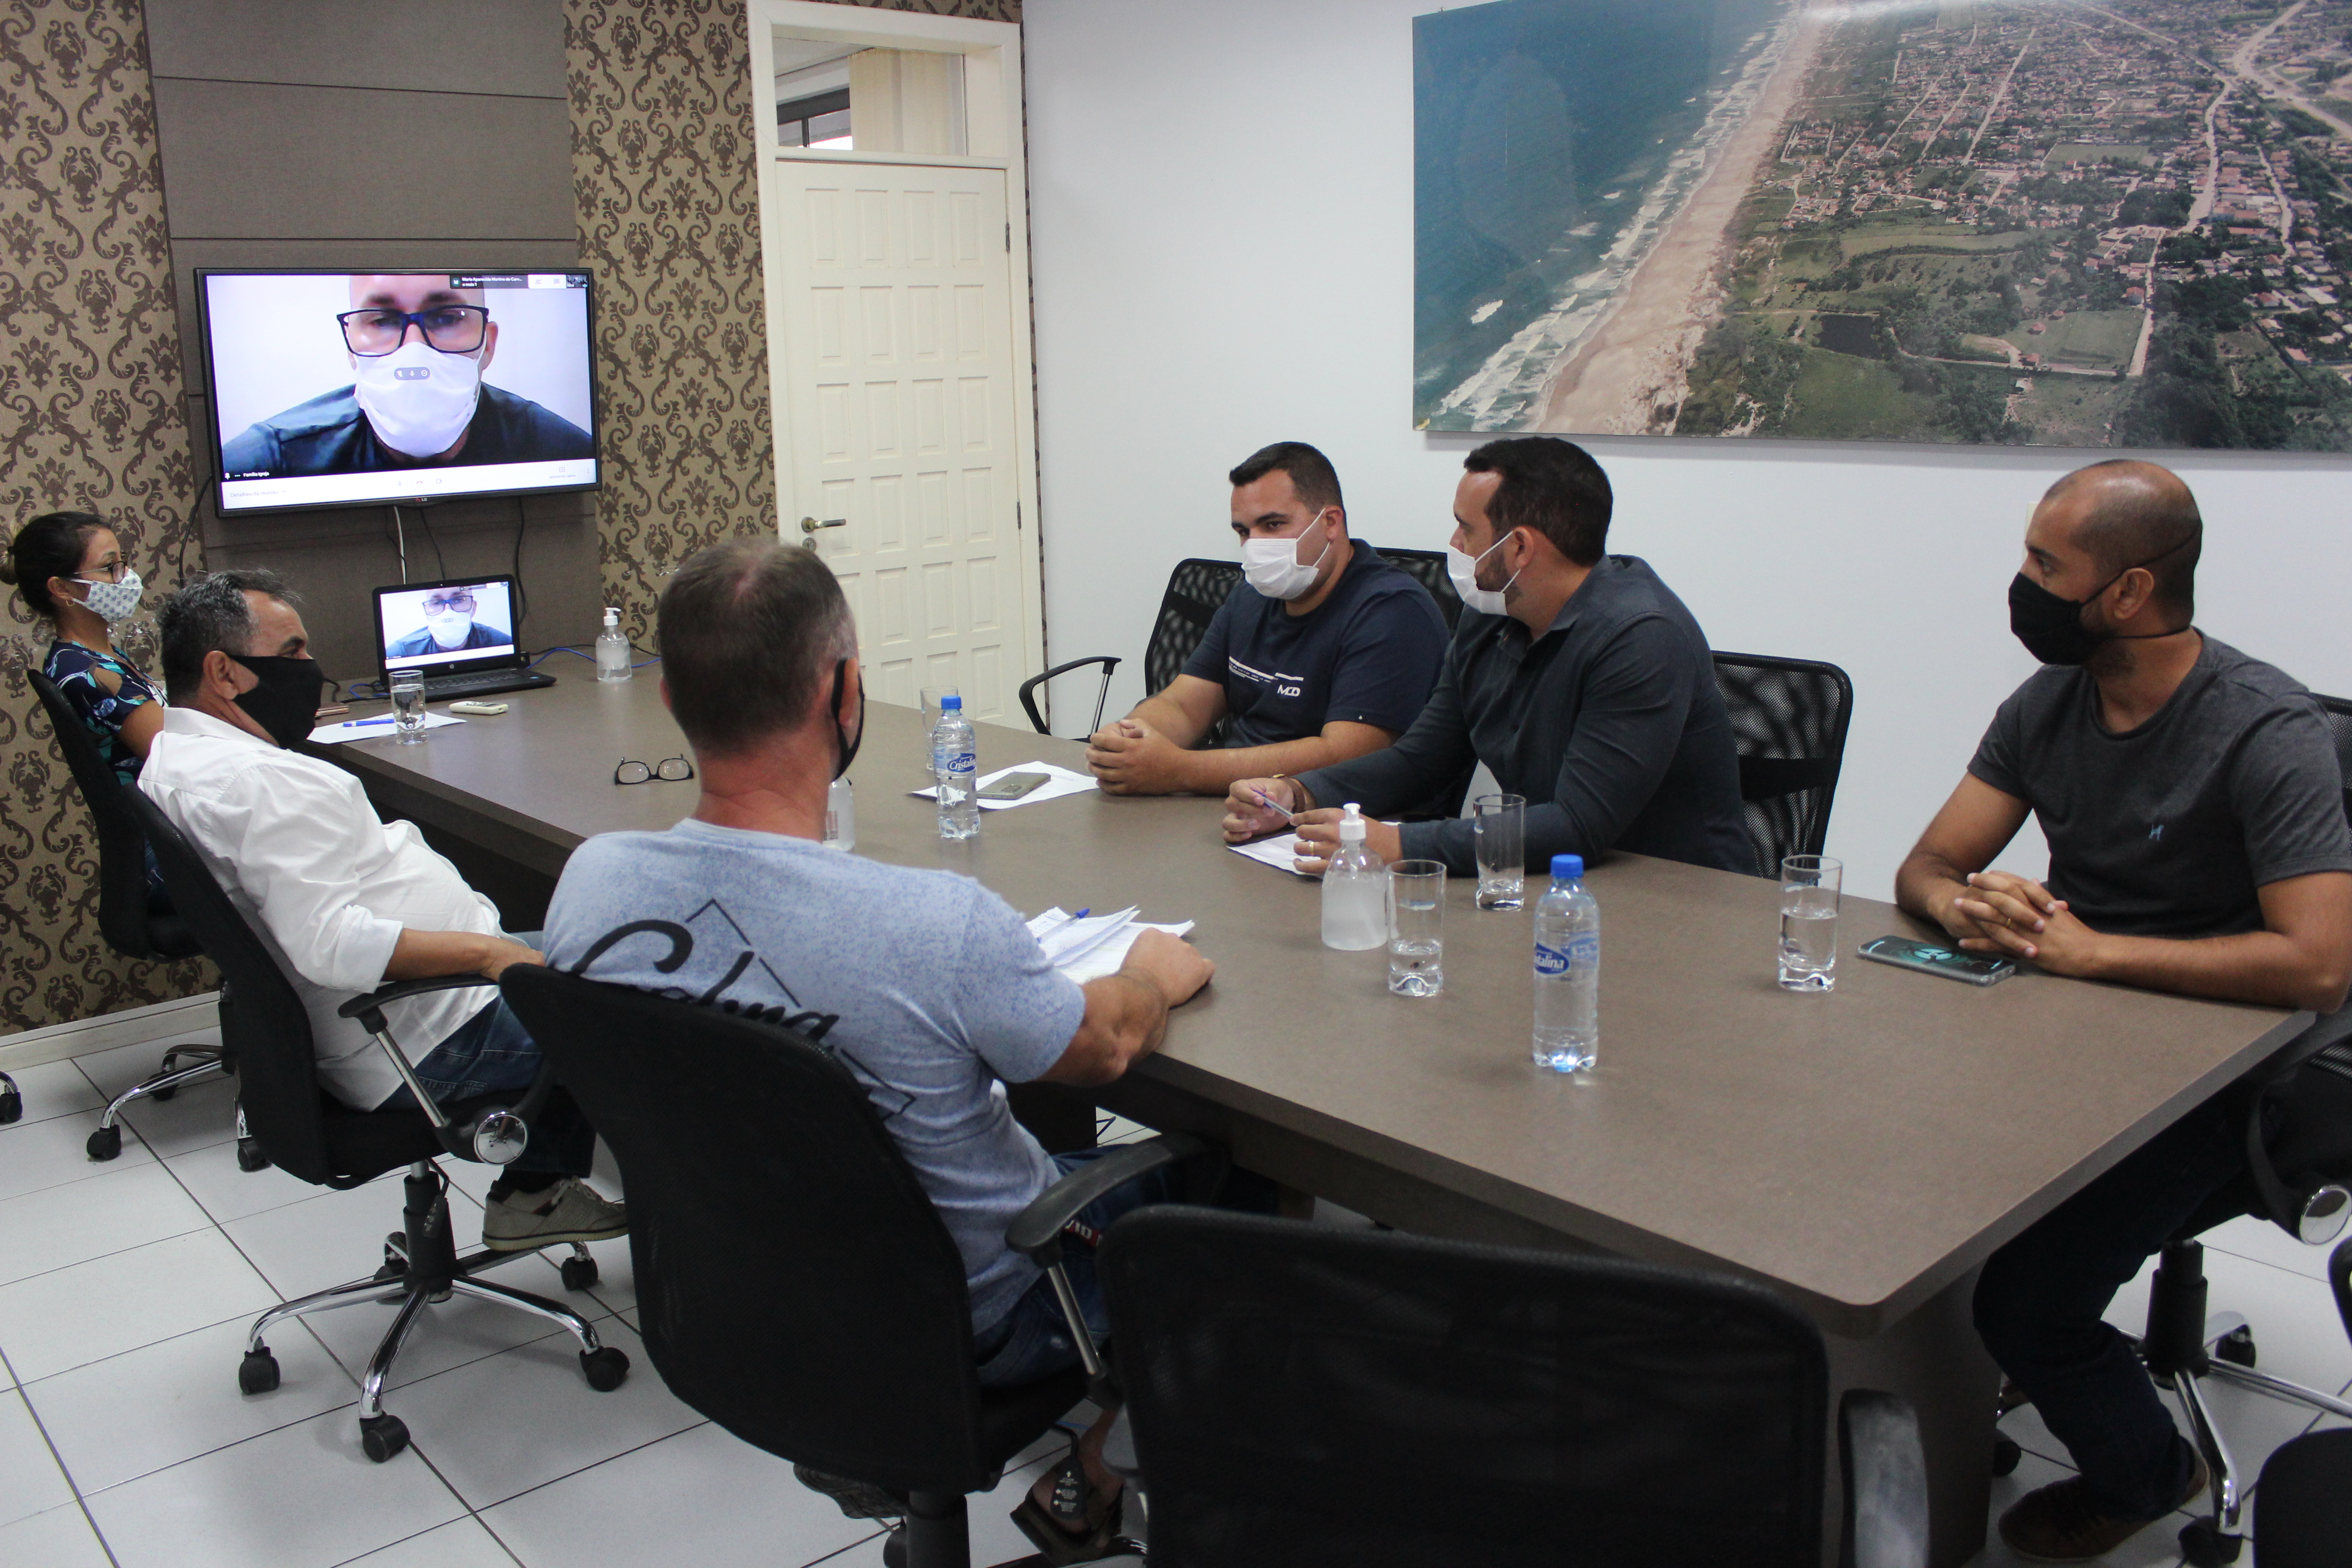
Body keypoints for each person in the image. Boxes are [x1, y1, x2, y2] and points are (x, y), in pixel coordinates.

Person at [539, 538, 1243, 1559]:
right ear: (845, 693)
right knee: (1240, 1178)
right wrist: (1150, 972)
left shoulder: (592, 884)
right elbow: (1101, 1052)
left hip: (737, 1297)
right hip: (972, 1323)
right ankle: (1099, 1469)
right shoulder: (936, 924)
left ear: (676, 700)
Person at [1893, 460, 2352, 1563]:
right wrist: (1966, 901)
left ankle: (2148, 1469)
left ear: (2130, 592)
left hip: (2239, 1079)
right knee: (1899, 1171)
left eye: (2046, 564)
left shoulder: (2263, 728)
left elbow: (2319, 964)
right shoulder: (2049, 703)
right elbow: (1928, 859)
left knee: (2027, 1299)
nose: (2021, 583)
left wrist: (2095, 950)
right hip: (2070, 1029)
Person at [138, 569, 625, 1254]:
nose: (312, 669)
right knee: (653, 1006)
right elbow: (332, 946)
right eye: (293, 653)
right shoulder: (258, 783)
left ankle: (534, 1193)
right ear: (224, 673)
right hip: (421, 1037)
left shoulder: (178, 752)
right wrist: (490, 955)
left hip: (384, 1020)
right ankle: (701, 1232)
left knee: (607, 941)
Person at [1223, 435, 1750, 878]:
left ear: (1519, 548)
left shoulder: (1642, 638)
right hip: (1552, 883)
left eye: (1466, 529)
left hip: (1680, 899)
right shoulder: (1490, 612)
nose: (1453, 542)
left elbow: (1578, 825)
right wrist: (1298, 794)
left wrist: (1398, 846)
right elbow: (1423, 760)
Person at [1085, 441, 1449, 799]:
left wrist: (1178, 770)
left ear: (1331, 523)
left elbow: (1344, 756)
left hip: (1332, 820)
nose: (1254, 546)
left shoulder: (1392, 611)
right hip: (1230, 804)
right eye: (1244, 532)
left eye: (1272, 525)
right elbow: (1183, 705)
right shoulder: (1250, 597)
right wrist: (1131, 738)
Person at [219, 274, 593, 478]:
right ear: (350, 345)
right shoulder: (264, 460)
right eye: (382, 321)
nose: (414, 349)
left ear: (488, 344)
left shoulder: (562, 449)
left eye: (447, 318)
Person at [4, 511, 163, 791]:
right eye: (109, 567)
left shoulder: (90, 654)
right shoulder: (87, 673)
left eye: (122, 563)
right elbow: (183, 759)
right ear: (62, 588)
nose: (125, 577)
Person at [385, 584, 512, 659]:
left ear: (474, 608)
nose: (448, 611)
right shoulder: (401, 652)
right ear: (427, 611)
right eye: (437, 602)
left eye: (458, 600)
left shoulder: (501, 642)